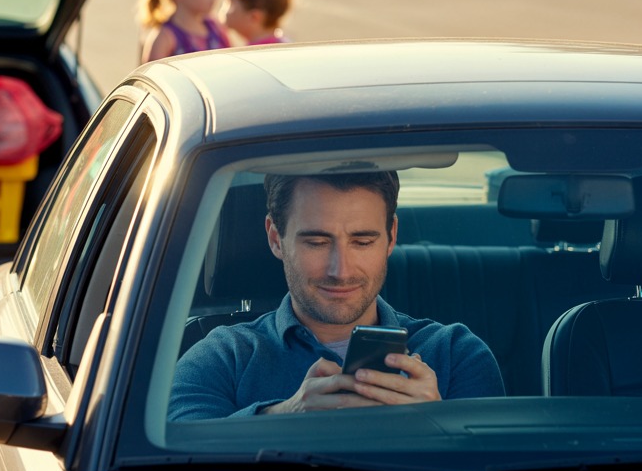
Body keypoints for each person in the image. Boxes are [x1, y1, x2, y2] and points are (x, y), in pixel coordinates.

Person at [169, 171, 505, 421]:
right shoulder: (220, 357)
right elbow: (171, 469)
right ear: (275, 238)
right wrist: (283, 417)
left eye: (362, 242)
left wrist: (436, 425)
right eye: (316, 242)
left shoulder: (457, 354)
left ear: (391, 238)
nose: (340, 270)